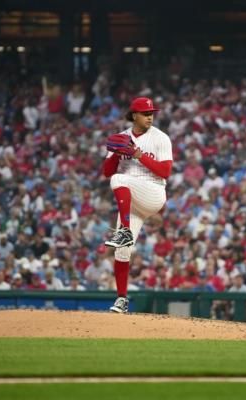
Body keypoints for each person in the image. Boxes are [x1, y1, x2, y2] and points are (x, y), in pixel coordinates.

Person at [102, 97, 173, 313]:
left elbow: (165, 172)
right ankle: (122, 300)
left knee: (118, 180)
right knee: (122, 253)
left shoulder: (161, 138)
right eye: (145, 112)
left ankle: (123, 230)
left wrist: (138, 154)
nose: (150, 116)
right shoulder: (122, 137)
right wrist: (115, 154)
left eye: (152, 112)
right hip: (131, 200)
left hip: (153, 192)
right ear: (134, 115)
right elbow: (107, 171)